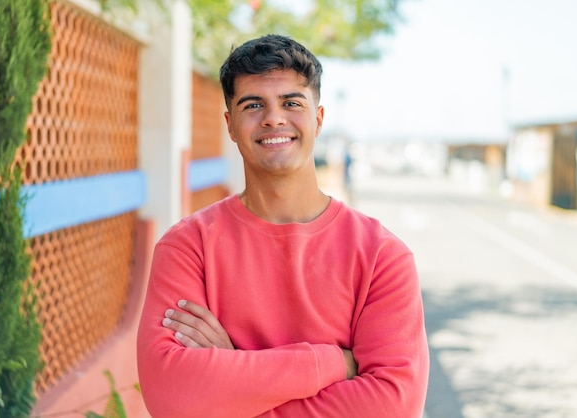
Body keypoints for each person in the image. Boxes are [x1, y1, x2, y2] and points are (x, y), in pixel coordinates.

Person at [137, 34, 429, 417]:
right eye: (253, 104)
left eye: (291, 102)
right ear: (230, 124)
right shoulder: (188, 247)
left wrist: (233, 380)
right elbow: (172, 396)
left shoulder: (382, 256)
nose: (273, 118)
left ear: (318, 118)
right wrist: (331, 364)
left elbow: (394, 405)